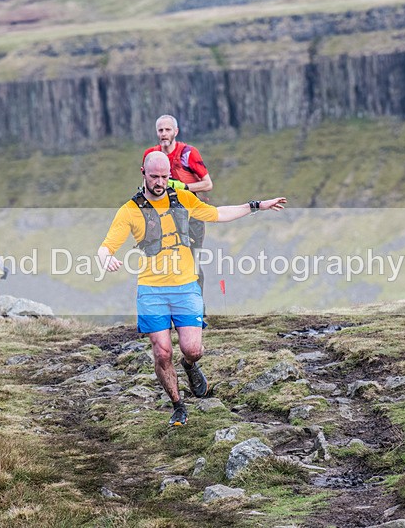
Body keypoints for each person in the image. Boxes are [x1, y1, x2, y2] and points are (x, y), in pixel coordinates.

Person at [98, 151, 286, 426]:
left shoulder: (183, 198)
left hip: (186, 287)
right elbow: (106, 246)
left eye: (165, 177)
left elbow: (218, 214)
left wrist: (257, 205)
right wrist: (106, 258)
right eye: (155, 177)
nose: (160, 182)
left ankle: (189, 366)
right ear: (143, 173)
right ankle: (178, 406)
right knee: (162, 352)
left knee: (193, 349)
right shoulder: (129, 210)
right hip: (151, 290)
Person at [143, 114, 213, 295]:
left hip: (191, 215)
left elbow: (208, 184)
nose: (164, 134)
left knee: (192, 259)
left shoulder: (188, 153)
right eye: (160, 130)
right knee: (164, 259)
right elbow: (146, 184)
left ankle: (197, 309)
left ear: (176, 131)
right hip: (164, 215)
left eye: (167, 130)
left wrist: (183, 186)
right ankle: (171, 306)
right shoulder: (151, 155)